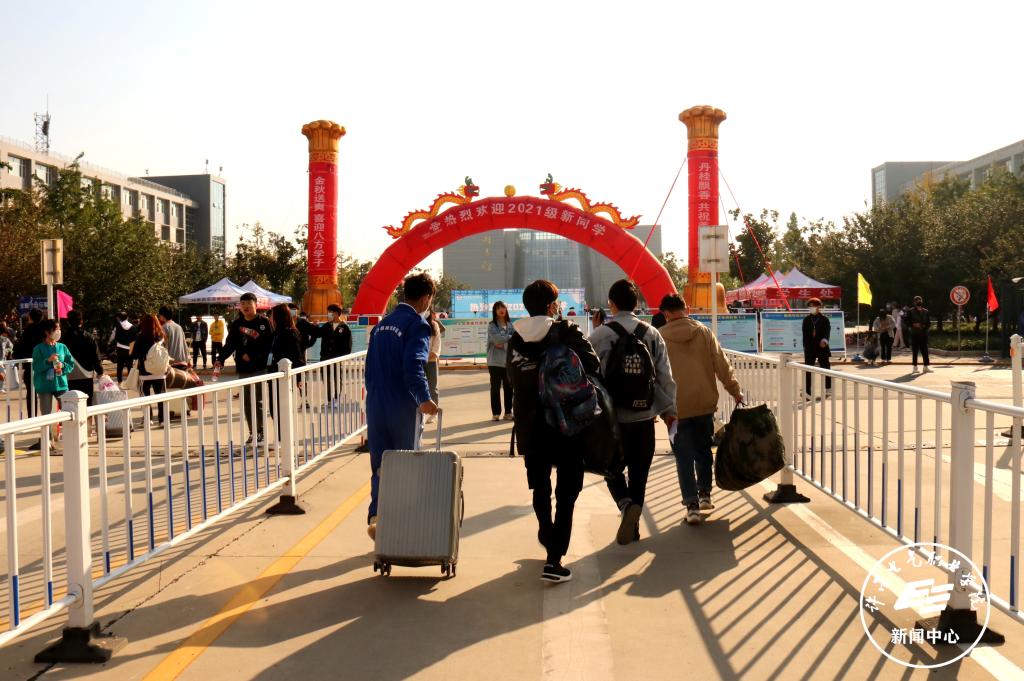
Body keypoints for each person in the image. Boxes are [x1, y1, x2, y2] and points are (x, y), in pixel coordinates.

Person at [508, 279, 601, 583]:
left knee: (540, 487)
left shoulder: (515, 338)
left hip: (529, 423)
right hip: (566, 422)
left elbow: (512, 378)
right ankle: (554, 558)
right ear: (551, 306)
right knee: (567, 491)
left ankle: (547, 534)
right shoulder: (566, 331)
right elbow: (593, 364)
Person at [588, 279, 677, 545]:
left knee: (611, 469)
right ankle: (634, 526)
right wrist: (669, 411)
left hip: (612, 421)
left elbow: (588, 378)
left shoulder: (599, 336)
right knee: (639, 474)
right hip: (644, 417)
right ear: (636, 303)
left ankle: (625, 505)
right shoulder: (652, 334)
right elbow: (665, 376)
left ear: (611, 304)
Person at [364, 273, 438, 540]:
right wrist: (424, 398)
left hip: (376, 403)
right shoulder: (416, 325)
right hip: (402, 404)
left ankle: (377, 517)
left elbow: (369, 368)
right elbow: (413, 365)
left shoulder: (382, 325)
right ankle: (403, 526)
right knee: (406, 462)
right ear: (426, 298)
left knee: (381, 463)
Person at [658, 294, 743, 524]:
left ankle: (692, 507)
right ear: (686, 308)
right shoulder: (704, 332)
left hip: (674, 411)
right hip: (704, 406)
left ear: (665, 313)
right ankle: (705, 494)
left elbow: (654, 374)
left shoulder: (659, 337)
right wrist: (735, 391)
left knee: (683, 458)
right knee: (704, 452)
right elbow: (721, 364)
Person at [215, 293, 273, 444]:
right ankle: (253, 432)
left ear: (256, 305)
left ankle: (260, 431)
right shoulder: (237, 324)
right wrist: (220, 359)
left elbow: (268, 345)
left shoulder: (264, 322)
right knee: (247, 402)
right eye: (243, 303)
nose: (246, 306)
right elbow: (230, 344)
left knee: (257, 401)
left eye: (249, 303)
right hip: (243, 368)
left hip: (259, 368)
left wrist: (253, 355)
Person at [32, 319, 75, 446]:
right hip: (44, 385)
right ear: (47, 332)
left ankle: (71, 437)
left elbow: (70, 363)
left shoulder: (62, 347)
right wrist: (47, 361)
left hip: (61, 384)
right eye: (56, 329)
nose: (58, 331)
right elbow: (36, 367)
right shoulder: (38, 348)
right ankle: (47, 441)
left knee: (69, 409)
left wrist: (63, 366)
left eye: (59, 329)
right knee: (46, 414)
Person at [268, 303, 306, 428]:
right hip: (274, 375)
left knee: (281, 409)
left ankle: (282, 435)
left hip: (284, 376)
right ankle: (280, 434)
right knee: (274, 409)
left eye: (272, 316)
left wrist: (299, 377)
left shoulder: (290, 333)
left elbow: (298, 356)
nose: (270, 318)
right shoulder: (276, 333)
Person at [132, 314, 168, 425]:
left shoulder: (140, 337)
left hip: (145, 372)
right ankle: (162, 420)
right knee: (161, 395)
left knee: (145, 396)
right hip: (160, 371)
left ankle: (148, 418)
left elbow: (135, 355)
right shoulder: (161, 336)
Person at [62, 310, 104, 406]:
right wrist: (100, 370)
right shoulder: (89, 337)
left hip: (69, 375)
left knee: (71, 403)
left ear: (68, 322)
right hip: (87, 375)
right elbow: (96, 356)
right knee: (87, 402)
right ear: (81, 321)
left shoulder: (64, 338)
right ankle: (86, 416)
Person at [13, 308, 46, 418]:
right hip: (46, 366)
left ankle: (32, 418)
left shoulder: (28, 331)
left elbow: (19, 349)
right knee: (48, 393)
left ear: (30, 317)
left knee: (31, 393)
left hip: (30, 366)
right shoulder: (45, 330)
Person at [486, 301, 514, 421]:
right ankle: (496, 413)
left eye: (503, 307)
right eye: (498, 308)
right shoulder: (492, 325)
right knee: (495, 388)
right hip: (494, 362)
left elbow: (514, 341)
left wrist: (504, 343)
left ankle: (508, 412)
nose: (501, 310)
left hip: (508, 361)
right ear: (495, 311)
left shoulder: (510, 325)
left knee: (509, 388)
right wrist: (508, 338)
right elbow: (497, 340)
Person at [802, 298, 832, 397]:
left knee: (825, 368)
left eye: (813, 306)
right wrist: (805, 347)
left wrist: (824, 341)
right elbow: (804, 335)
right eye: (810, 306)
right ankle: (807, 392)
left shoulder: (824, 319)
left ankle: (828, 388)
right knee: (808, 369)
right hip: (810, 348)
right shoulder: (806, 320)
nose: (811, 308)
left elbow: (827, 332)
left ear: (819, 307)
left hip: (822, 347)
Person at [424, 310, 443, 424]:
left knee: (433, 387)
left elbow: (437, 343)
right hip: (419, 361)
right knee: (420, 386)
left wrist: (433, 354)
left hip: (431, 360)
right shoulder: (416, 323)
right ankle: (420, 411)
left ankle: (433, 412)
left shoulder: (434, 325)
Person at [109, 312, 138, 383]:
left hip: (120, 348)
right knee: (129, 366)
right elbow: (134, 340)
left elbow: (113, 335)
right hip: (129, 348)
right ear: (127, 317)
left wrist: (109, 342)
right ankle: (130, 381)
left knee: (120, 366)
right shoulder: (133, 327)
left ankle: (120, 381)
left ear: (119, 318)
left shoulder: (117, 326)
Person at [907, 295, 931, 373]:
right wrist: (913, 325)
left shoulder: (926, 311)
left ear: (922, 301)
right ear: (914, 302)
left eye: (920, 300)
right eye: (917, 300)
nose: (919, 301)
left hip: (924, 334)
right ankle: (915, 367)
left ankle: (925, 367)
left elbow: (929, 323)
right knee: (915, 351)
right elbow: (907, 322)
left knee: (925, 351)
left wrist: (925, 326)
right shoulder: (910, 311)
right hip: (915, 334)